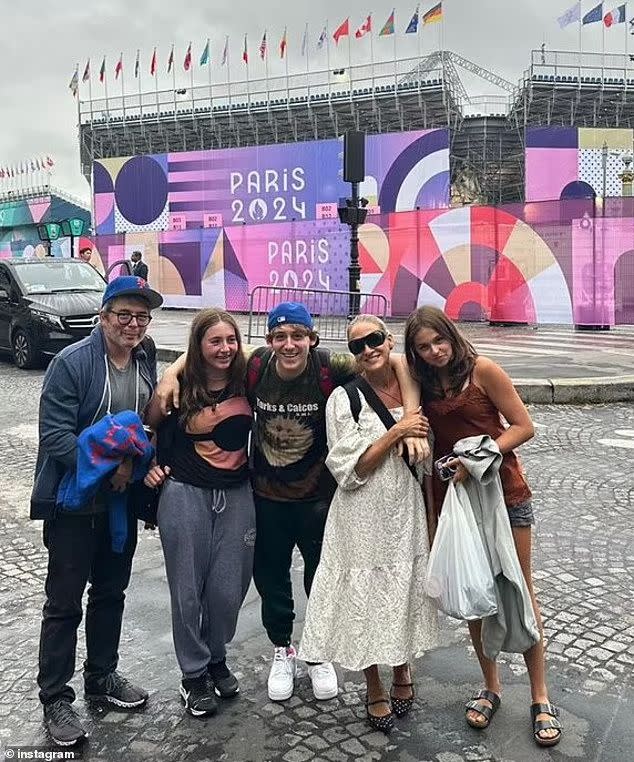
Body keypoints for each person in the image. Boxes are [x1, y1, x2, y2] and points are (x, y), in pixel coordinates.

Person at [156, 302, 423, 705]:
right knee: (271, 578)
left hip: (317, 498)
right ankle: (284, 649)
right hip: (265, 496)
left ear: (312, 339)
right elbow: (203, 352)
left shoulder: (331, 367)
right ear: (268, 341)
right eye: (280, 336)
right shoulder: (257, 365)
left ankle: (318, 652)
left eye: (298, 336)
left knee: (322, 576)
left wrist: (412, 419)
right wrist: (169, 374)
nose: (289, 344)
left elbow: (397, 359)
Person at [404, 306, 562, 749]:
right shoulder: (423, 381)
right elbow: (384, 364)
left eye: (439, 341)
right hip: (454, 502)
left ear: (452, 337)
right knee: (475, 594)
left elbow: (523, 427)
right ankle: (491, 686)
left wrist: (475, 459)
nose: (434, 351)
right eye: (423, 346)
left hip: (504, 494)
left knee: (519, 590)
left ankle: (539, 695)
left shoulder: (483, 370)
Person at [30, 275, 163, 747]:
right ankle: (55, 698)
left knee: (111, 591)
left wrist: (136, 463)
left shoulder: (144, 360)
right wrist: (113, 471)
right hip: (73, 501)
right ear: (103, 316)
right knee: (64, 602)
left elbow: (144, 428)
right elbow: (56, 439)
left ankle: (102, 676)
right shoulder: (72, 363)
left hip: (118, 505)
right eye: (123, 314)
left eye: (141, 317)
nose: (132, 324)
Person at [298, 315, 438, 734]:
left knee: (399, 591)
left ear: (389, 339)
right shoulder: (344, 398)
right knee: (365, 600)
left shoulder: (414, 387)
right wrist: (397, 432)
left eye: (374, 339)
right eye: (358, 345)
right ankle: (373, 683)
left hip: (405, 509)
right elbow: (350, 466)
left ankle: (402, 669)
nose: (368, 349)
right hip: (360, 514)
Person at [142, 309, 255, 717]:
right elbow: (149, 424)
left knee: (228, 589)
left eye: (231, 340)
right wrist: (170, 377)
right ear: (199, 347)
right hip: (185, 493)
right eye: (215, 341)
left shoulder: (249, 378)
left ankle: (216, 655)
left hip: (238, 495)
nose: (225, 348)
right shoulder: (181, 386)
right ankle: (194, 674)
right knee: (187, 590)